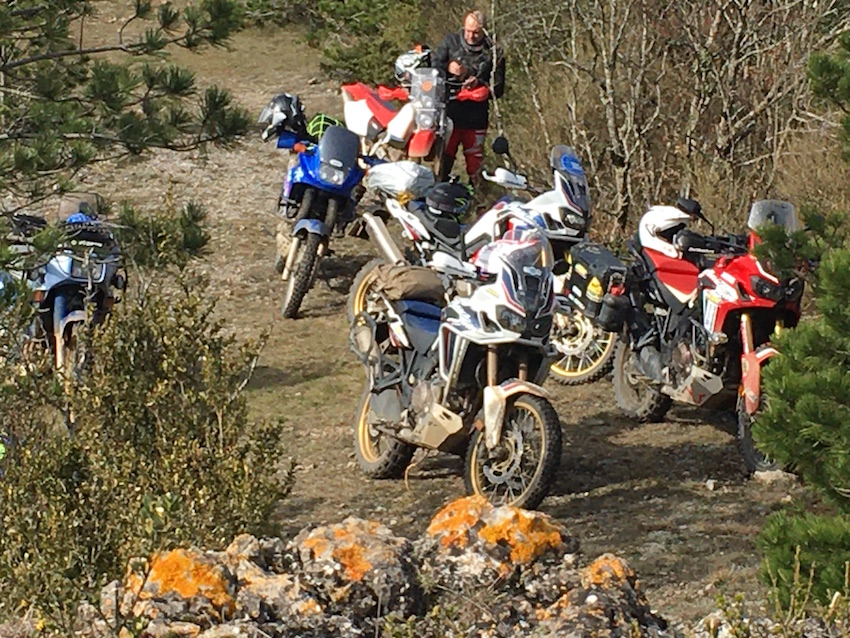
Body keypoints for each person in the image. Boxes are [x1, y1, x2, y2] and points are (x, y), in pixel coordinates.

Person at [433, 10, 505, 186]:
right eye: (468, 31)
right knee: (442, 162)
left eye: (476, 32)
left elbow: (499, 87)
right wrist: (448, 68)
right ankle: (438, 194)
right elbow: (433, 67)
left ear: (484, 31)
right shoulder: (451, 42)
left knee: (475, 167)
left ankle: (477, 202)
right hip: (449, 114)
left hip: (476, 118)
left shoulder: (494, 51)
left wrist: (479, 82)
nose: (471, 36)